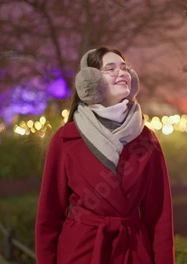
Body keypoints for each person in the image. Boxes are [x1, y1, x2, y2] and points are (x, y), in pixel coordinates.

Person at [35, 47, 175, 264]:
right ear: (90, 82)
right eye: (111, 69)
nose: (122, 73)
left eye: (125, 68)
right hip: (81, 252)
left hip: (133, 252)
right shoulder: (66, 138)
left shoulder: (147, 140)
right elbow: (49, 215)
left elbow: (160, 217)